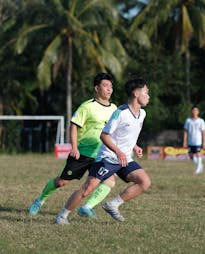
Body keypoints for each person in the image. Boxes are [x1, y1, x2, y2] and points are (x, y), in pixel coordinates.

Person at [55, 76, 151, 224]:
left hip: (124, 158)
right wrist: (118, 151)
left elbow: (127, 135)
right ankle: (62, 216)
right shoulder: (121, 112)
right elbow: (104, 136)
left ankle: (113, 204)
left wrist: (135, 146)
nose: (148, 96)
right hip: (108, 157)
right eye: (146, 92)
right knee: (87, 189)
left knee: (144, 182)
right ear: (135, 93)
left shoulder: (142, 114)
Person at [28, 73, 117, 220]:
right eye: (105, 86)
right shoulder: (87, 106)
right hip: (82, 152)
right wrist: (74, 147)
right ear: (96, 88)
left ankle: (87, 208)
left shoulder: (114, 108)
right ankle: (40, 200)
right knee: (61, 182)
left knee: (109, 181)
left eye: (111, 86)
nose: (109, 89)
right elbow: (74, 126)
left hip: (102, 154)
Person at [183, 106, 205, 174]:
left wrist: (204, 142)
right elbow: (185, 131)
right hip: (190, 140)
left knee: (198, 154)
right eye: (193, 110)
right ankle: (200, 165)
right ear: (192, 111)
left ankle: (198, 169)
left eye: (196, 110)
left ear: (198, 112)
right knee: (190, 155)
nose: (195, 112)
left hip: (198, 141)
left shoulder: (201, 121)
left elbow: (203, 132)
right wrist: (184, 141)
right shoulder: (188, 120)